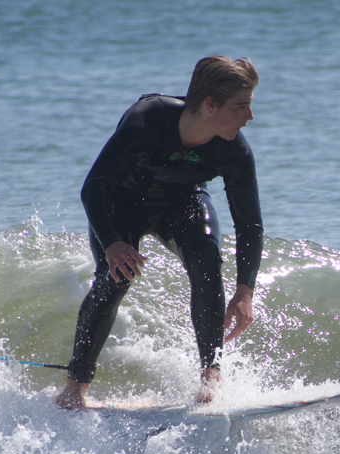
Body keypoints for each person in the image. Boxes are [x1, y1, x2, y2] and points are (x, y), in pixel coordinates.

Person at [56, 56, 264, 410]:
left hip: (182, 203)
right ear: (210, 105)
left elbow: (250, 224)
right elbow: (95, 185)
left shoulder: (234, 150)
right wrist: (113, 243)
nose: (250, 117)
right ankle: (74, 389)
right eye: (241, 106)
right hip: (123, 200)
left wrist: (245, 288)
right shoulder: (148, 119)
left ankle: (210, 382)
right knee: (115, 277)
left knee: (206, 260)